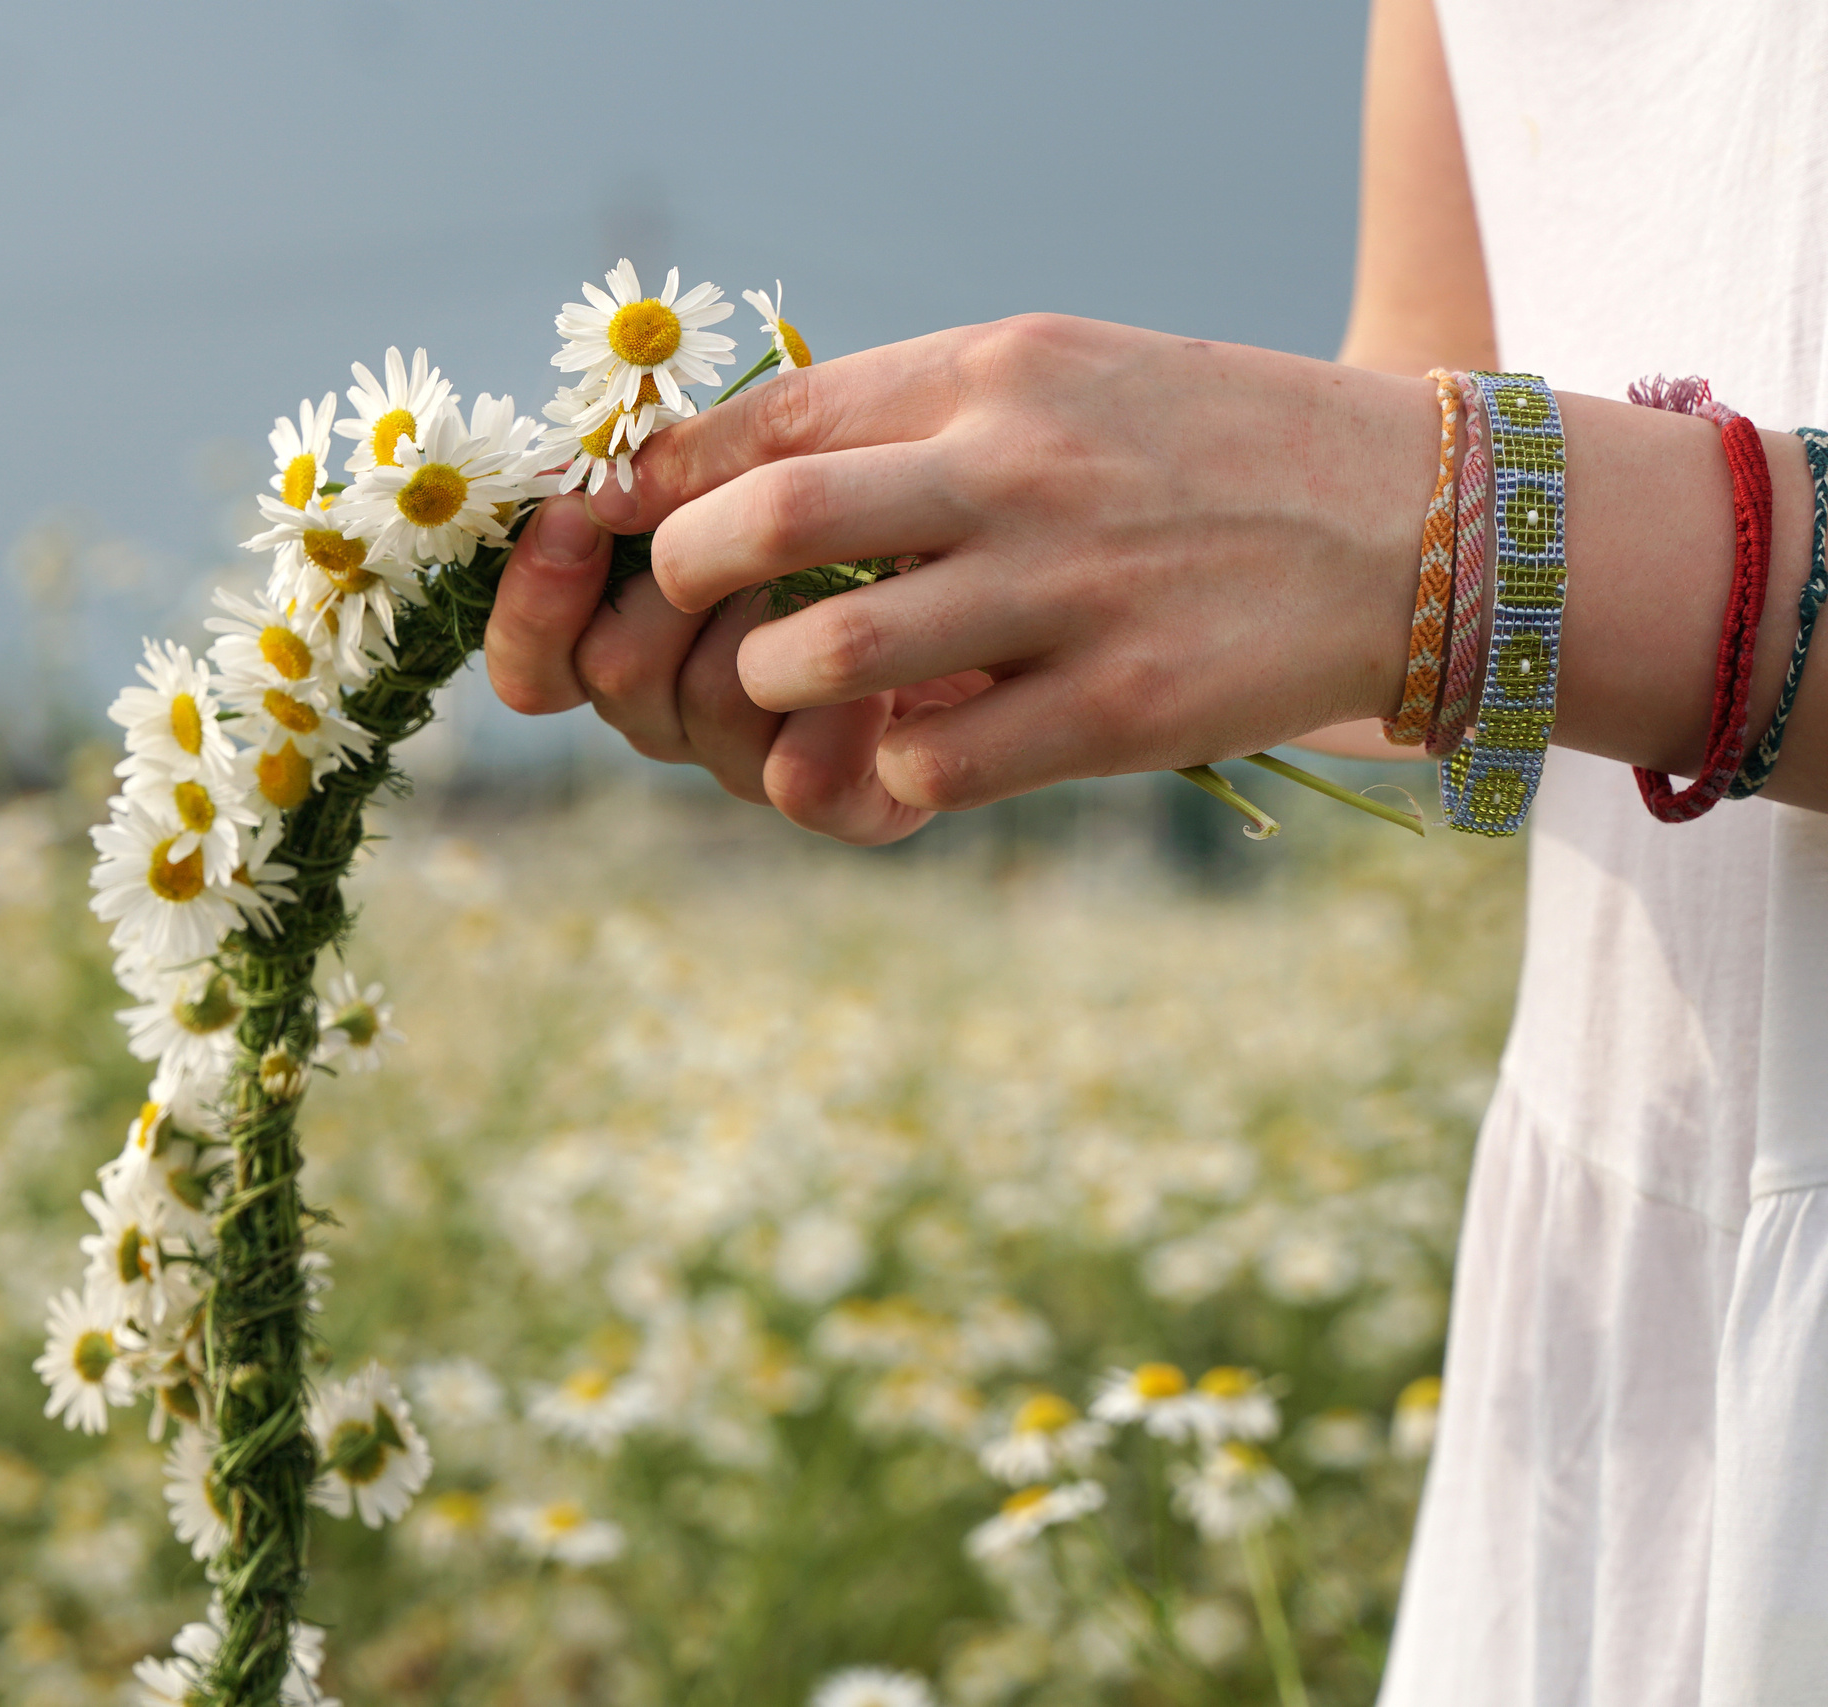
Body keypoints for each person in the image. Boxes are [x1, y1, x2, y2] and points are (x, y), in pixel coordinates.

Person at [480, 2, 1828, 1702]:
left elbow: (1429, 520)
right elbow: (1429, 427)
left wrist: (1439, 521)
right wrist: (1004, 603)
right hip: (1627, 1325)